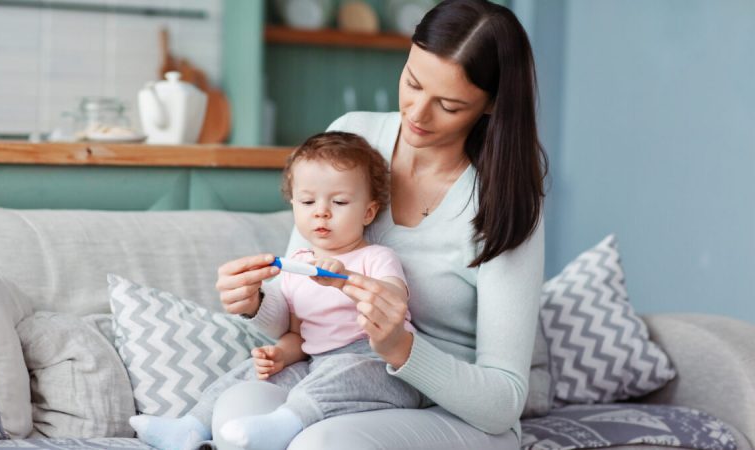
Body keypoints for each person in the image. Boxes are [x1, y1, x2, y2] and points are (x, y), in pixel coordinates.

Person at [214, 0, 548, 448]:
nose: (417, 113)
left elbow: (504, 401)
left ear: (490, 106)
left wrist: (401, 348)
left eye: (448, 105)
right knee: (236, 411)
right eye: (412, 82)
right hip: (334, 382)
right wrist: (254, 301)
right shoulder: (356, 137)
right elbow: (297, 307)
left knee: (320, 444)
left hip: (451, 413)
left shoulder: (506, 200)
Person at [129, 131, 425, 450]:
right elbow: (299, 337)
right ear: (294, 204)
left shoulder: (375, 257)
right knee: (248, 373)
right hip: (317, 364)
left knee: (341, 372)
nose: (321, 211)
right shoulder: (297, 266)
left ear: (368, 212)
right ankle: (190, 427)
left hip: (381, 364)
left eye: (339, 202)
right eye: (308, 201)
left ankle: (284, 424)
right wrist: (278, 355)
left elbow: (394, 298)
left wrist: (346, 279)